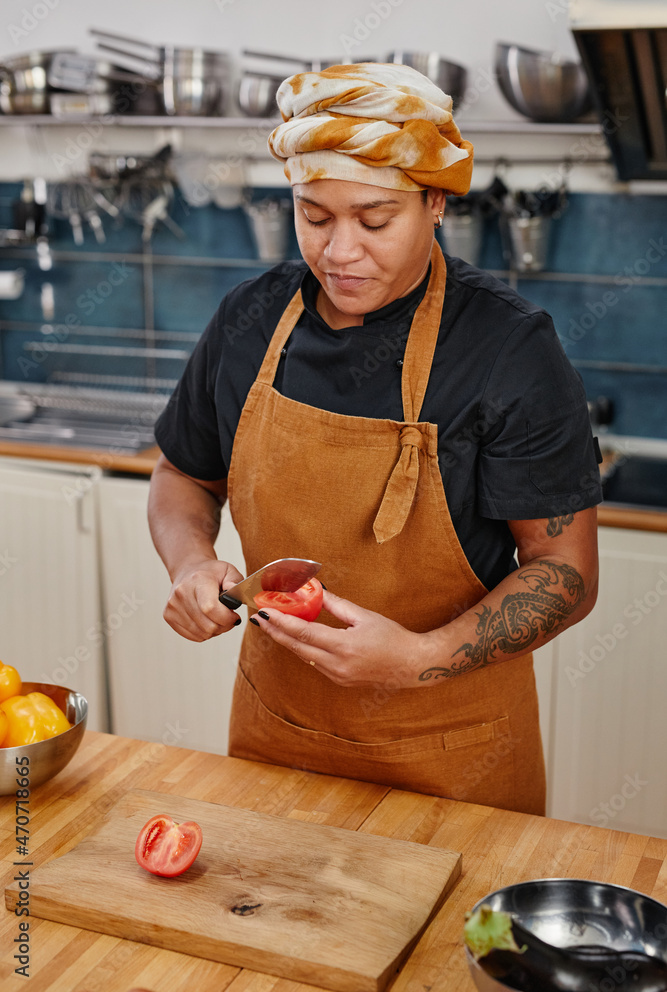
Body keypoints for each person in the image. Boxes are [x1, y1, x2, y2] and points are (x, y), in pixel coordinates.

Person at [148, 63, 602, 816]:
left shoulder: (507, 346)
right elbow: (182, 475)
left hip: (453, 751)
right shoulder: (249, 319)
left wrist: (418, 659)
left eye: (374, 218)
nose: (339, 252)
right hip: (277, 735)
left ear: (433, 203)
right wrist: (191, 564)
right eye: (314, 216)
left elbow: (565, 570)